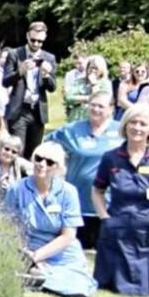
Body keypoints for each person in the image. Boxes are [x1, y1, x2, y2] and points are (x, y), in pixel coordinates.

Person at [90, 104, 149, 296]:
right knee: (111, 290)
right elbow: (97, 190)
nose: (137, 128)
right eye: (133, 122)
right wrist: (104, 217)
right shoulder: (111, 158)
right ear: (125, 125)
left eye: (143, 124)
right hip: (117, 232)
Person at [3, 141, 96, 297]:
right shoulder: (17, 189)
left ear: (58, 168)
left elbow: (68, 236)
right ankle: (32, 272)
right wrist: (25, 254)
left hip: (61, 249)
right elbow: (7, 226)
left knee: (76, 285)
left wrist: (36, 257)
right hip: (27, 245)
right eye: (38, 159)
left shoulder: (69, 192)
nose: (42, 164)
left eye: (49, 162)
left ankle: (37, 275)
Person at [44, 90, 122, 248]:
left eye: (101, 106)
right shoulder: (72, 130)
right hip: (79, 204)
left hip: (110, 205)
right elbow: (46, 146)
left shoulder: (122, 131)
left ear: (111, 109)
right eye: (92, 105)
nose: (96, 109)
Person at [3, 21, 57, 158]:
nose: (36, 44)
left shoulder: (49, 58)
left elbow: (52, 87)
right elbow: (5, 81)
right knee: (16, 150)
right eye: (33, 40)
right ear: (27, 36)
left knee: (34, 153)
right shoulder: (15, 54)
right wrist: (19, 72)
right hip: (20, 109)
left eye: (40, 41)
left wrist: (46, 74)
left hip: (38, 112)